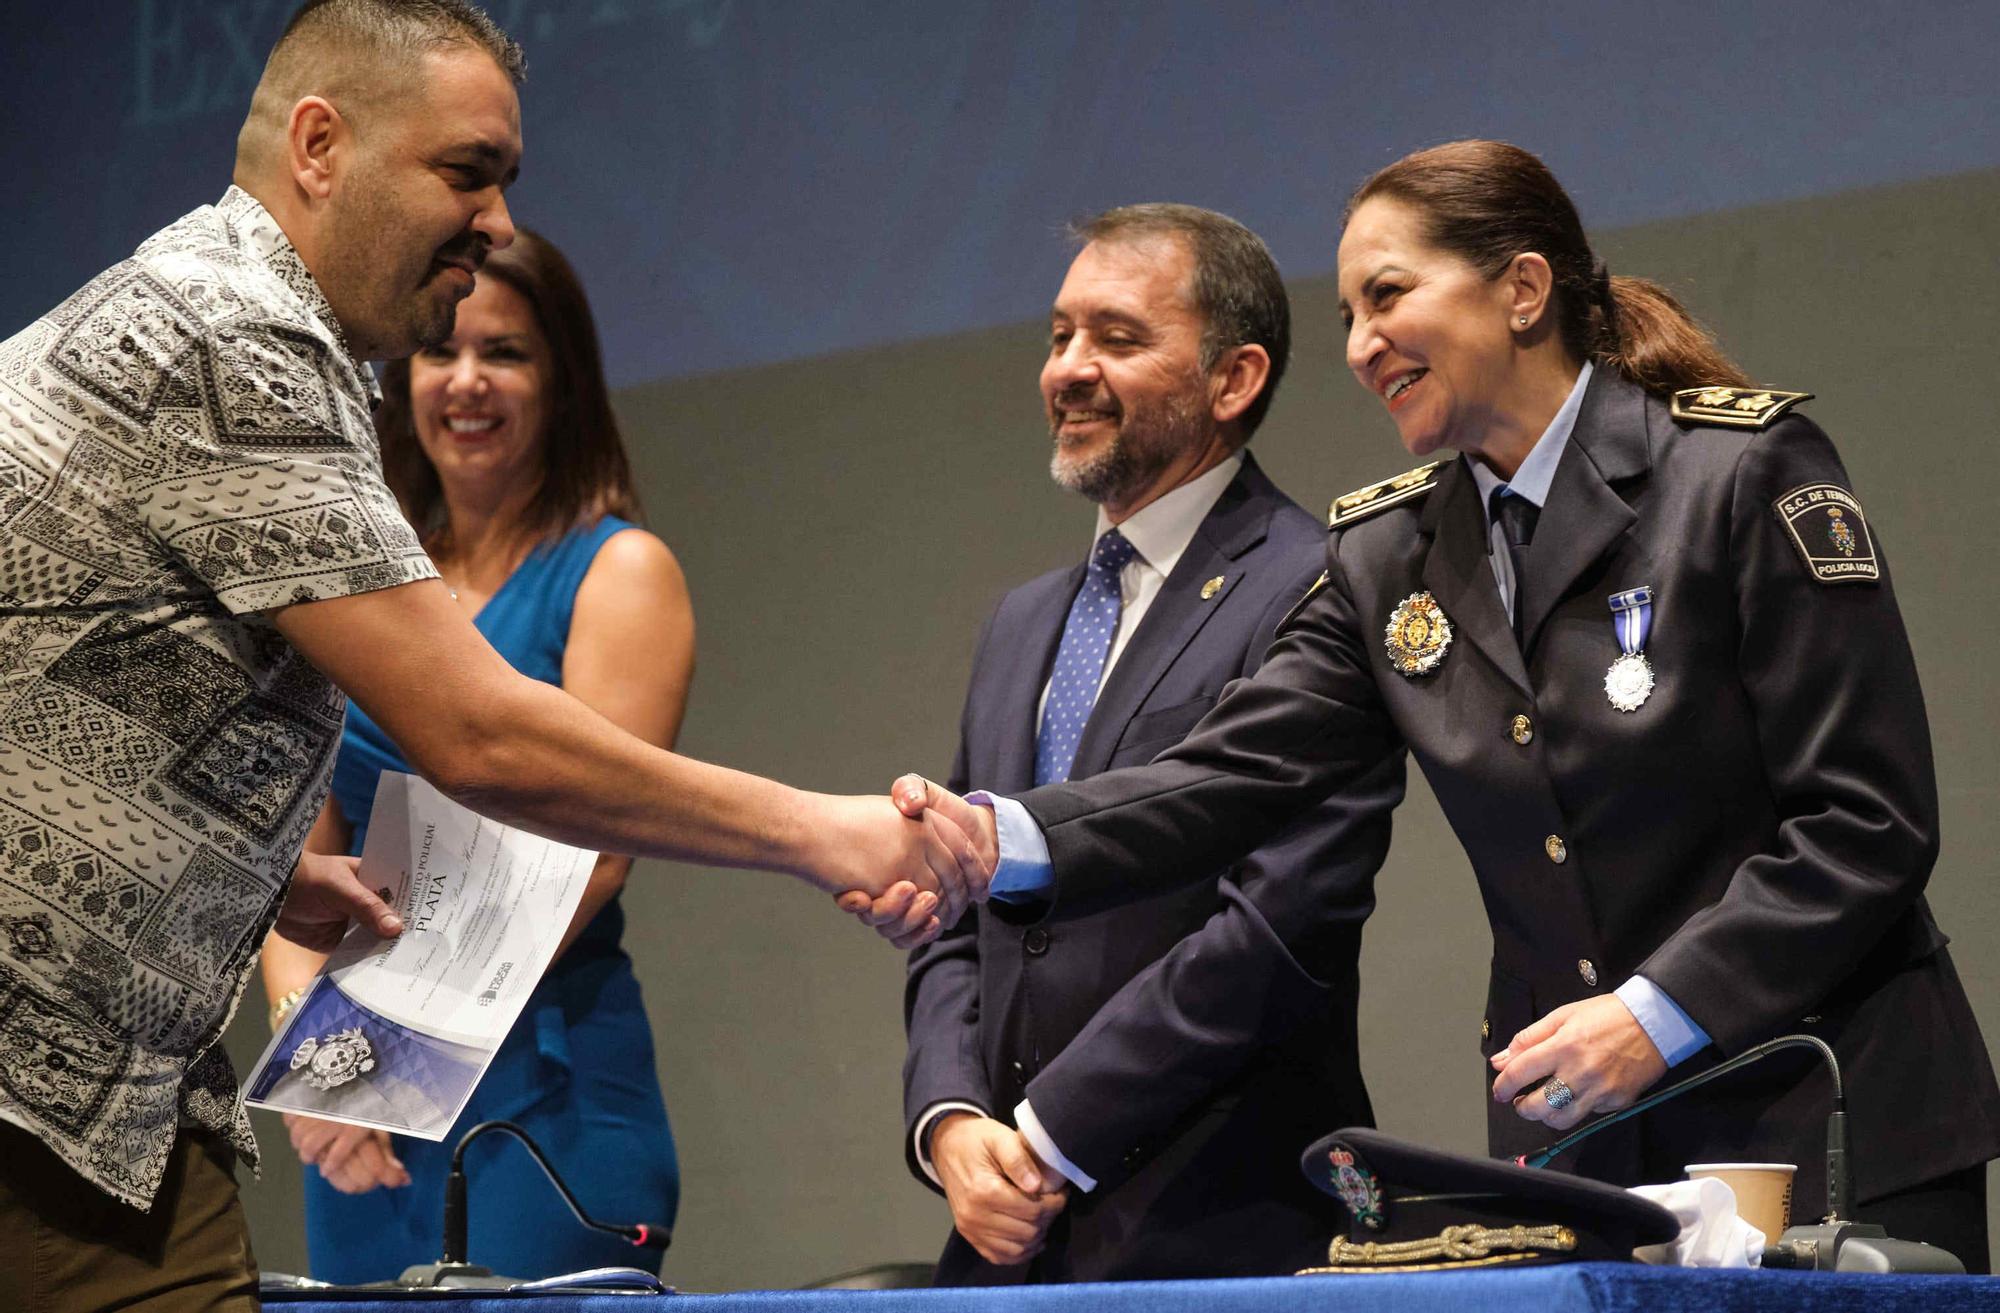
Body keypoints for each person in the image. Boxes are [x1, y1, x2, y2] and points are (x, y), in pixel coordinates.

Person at [864, 140, 2000, 1269]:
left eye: (1387, 296)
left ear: (1520, 289)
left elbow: (1864, 823)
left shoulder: (1736, 472)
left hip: (1825, 1113)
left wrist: (1655, 1013)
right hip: (1587, 1152)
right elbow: (1230, 774)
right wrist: (990, 836)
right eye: (1349, 313)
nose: (1359, 346)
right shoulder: (1387, 550)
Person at [0, 4, 935, 1307]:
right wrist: (823, 833)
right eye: (466, 170)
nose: (495, 220)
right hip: (51, 1101)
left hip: (500, 1098)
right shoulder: (245, 344)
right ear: (318, 146)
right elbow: (481, 738)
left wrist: (272, 888)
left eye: (506, 182)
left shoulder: (186, 308)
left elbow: (79, 690)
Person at [902, 204, 1401, 1282]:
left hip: (1221, 1228)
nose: (1067, 370)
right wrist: (951, 1122)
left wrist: (1044, 1136)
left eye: (1117, 339)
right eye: (1057, 335)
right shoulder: (1019, 622)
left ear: (1232, 380)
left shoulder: (1321, 583)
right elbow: (956, 910)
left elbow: (1274, 926)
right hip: (1007, 1238)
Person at [258, 227, 689, 1281]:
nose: (466, 381)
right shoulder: (362, 585)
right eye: (440, 351)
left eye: (506, 352)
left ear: (563, 380)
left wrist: (380, 1056)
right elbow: (293, 861)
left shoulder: (618, 570)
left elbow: (596, 854)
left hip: (540, 1101)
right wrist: (317, 1057)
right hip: (357, 1090)